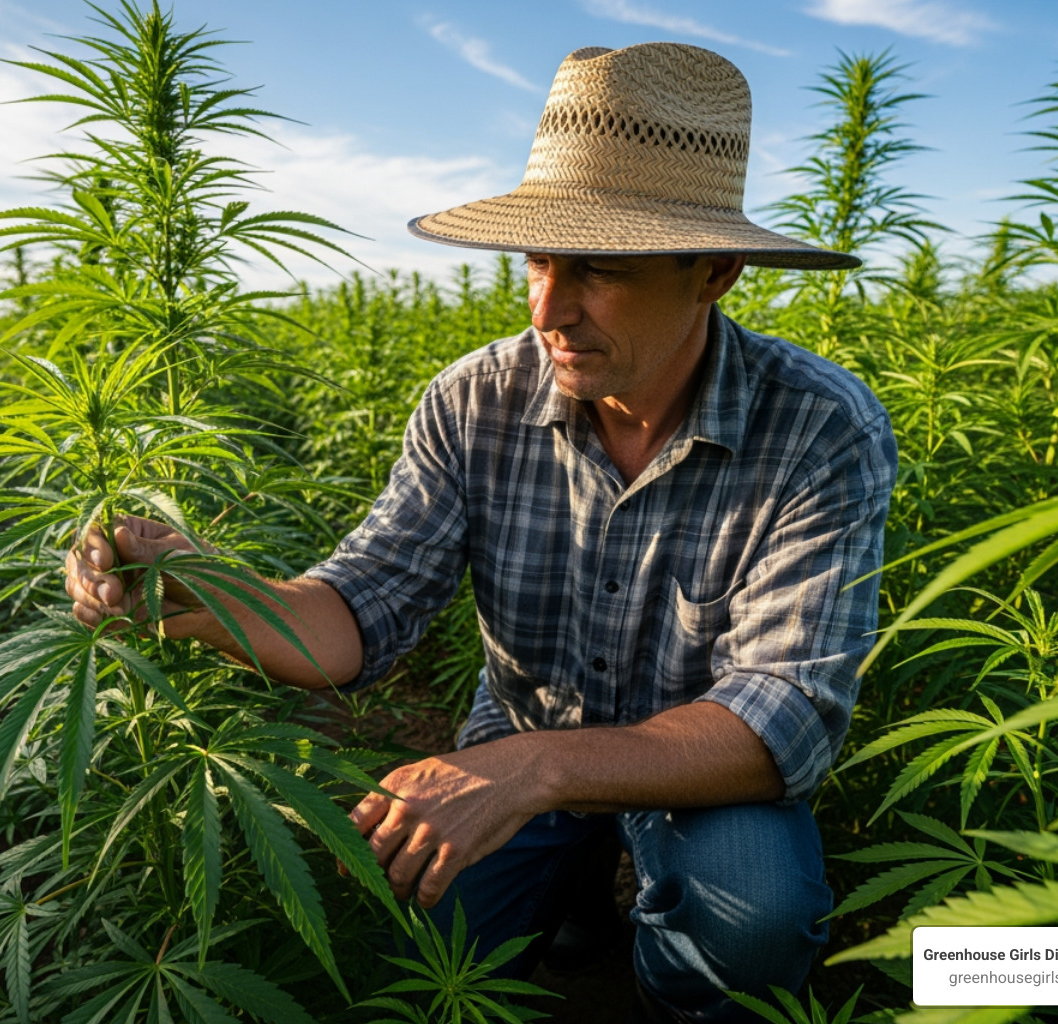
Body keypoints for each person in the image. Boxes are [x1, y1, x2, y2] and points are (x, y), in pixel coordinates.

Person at [66, 42, 896, 1023]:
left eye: (599, 268)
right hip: (528, 713)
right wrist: (212, 594)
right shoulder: (474, 401)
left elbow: (784, 714)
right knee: (437, 927)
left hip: (698, 763)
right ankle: (577, 893)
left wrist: (535, 769)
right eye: (539, 260)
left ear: (713, 271)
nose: (550, 307)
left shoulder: (818, 426)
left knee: (756, 917)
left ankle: (669, 992)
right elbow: (359, 609)